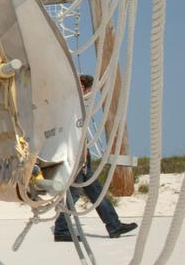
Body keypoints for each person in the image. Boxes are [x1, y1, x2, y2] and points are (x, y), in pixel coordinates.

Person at [54, 75, 138, 242]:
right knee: (74, 192)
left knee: (96, 191)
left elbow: (87, 99)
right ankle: (61, 229)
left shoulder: (80, 103)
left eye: (81, 85)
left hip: (82, 152)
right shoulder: (69, 102)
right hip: (74, 153)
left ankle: (114, 225)